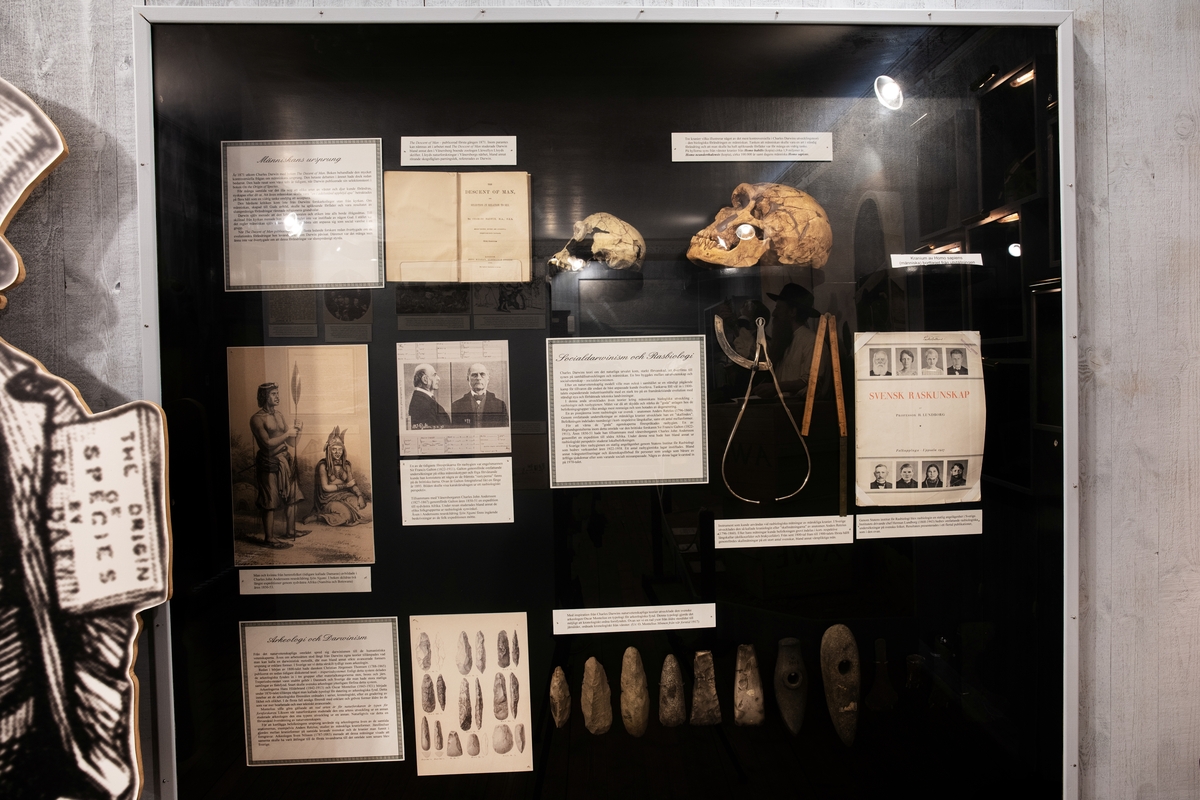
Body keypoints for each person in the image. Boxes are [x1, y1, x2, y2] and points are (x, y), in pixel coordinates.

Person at [251, 382, 306, 548]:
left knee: (293, 497)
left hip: (285, 461)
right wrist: (288, 433)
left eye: (277, 393)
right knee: (270, 501)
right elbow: (267, 444)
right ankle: (269, 538)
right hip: (269, 464)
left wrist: (298, 430)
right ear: (264, 396)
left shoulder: (280, 415)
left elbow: (292, 443)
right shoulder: (256, 419)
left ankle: (290, 531)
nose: (277, 397)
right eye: (273, 394)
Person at [755, 283, 828, 397]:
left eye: (778, 308)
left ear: (792, 312)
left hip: (800, 406)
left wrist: (775, 387)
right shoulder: (785, 341)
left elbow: (810, 380)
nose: (774, 313)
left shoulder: (811, 341)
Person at [303, 427, 369, 527]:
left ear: (343, 450)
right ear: (329, 450)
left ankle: (343, 509)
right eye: (334, 449)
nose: (337, 452)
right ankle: (318, 517)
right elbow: (326, 487)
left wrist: (359, 495)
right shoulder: (323, 465)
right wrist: (345, 485)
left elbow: (352, 483)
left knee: (360, 506)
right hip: (327, 499)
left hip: (344, 495)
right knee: (347, 516)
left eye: (340, 449)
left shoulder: (346, 465)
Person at [451, 362, 509, 428]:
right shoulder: (456, 406)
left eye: (482, 374)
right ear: (468, 378)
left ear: (488, 378)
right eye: (474, 375)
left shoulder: (500, 405)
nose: (478, 378)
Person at [409, 363, 450, 429]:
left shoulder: (422, 400)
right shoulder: (422, 403)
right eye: (434, 375)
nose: (438, 378)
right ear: (425, 379)